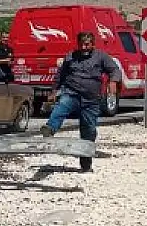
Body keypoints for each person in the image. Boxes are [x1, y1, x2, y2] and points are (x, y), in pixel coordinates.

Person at [40, 31, 122, 172]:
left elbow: (115, 70)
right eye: (81, 44)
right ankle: (50, 128)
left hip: (91, 100)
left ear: (93, 44)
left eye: (87, 44)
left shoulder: (101, 56)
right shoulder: (70, 57)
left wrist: (113, 81)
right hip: (72, 93)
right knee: (62, 106)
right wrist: (54, 91)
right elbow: (61, 75)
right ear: (77, 44)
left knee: (88, 131)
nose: (84, 47)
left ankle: (86, 163)